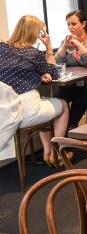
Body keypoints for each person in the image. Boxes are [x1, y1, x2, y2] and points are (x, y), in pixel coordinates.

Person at [0, 15, 70, 168]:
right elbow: (55, 73)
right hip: (26, 112)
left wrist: (37, 75)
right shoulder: (33, 53)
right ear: (35, 33)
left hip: (4, 114)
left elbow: (14, 73)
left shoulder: (1, 48)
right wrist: (49, 46)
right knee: (63, 106)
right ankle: (57, 153)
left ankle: (46, 152)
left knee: (45, 101)